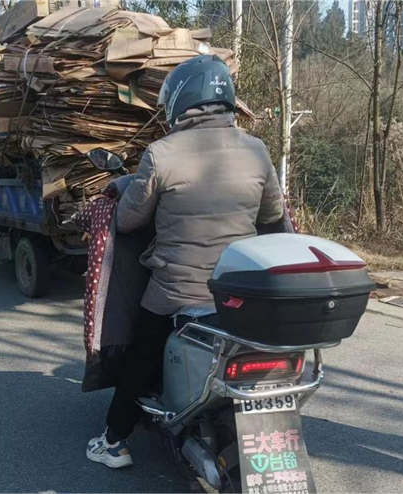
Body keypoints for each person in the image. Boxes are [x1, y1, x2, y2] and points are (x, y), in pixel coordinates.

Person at [86, 55, 285, 469]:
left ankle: (114, 441)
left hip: (178, 292)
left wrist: (127, 187)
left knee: (141, 355)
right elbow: (271, 218)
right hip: (239, 290)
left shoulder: (161, 154)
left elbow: (127, 220)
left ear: (179, 101)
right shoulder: (257, 150)